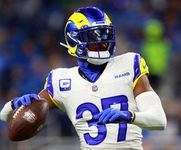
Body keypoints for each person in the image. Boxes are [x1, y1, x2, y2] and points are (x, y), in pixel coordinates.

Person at [0, 7, 167, 150]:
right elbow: (5, 117)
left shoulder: (130, 63)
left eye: (105, 34)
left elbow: (159, 120)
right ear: (75, 40)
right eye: (94, 37)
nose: (103, 41)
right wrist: (15, 104)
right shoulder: (61, 80)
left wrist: (128, 116)